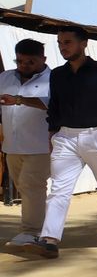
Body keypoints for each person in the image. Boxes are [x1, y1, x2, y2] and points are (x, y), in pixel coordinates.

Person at [26, 25, 97, 258]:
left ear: (84, 43)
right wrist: (53, 132)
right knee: (59, 189)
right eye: (60, 43)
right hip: (65, 138)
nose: (63, 47)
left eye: (67, 42)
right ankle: (49, 239)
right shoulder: (58, 74)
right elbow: (55, 105)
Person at [1, 38, 52, 254]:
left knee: (32, 186)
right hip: (12, 146)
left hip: (40, 145)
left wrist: (19, 100)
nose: (24, 66)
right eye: (20, 61)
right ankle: (46, 225)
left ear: (43, 59)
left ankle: (32, 231)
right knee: (24, 187)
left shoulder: (54, 80)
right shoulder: (4, 77)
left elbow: (49, 104)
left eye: (31, 62)